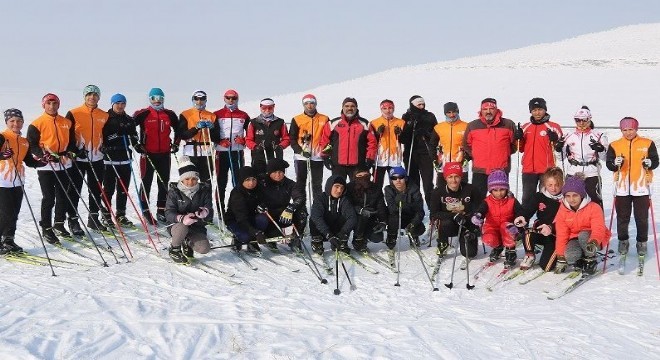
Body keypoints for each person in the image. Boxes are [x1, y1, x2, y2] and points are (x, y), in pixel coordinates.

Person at [26, 93, 78, 244]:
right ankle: (46, 228)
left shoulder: (66, 122)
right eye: (48, 103)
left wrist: (71, 152)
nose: (52, 106)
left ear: (58, 105)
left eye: (54, 103)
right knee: (49, 198)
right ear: (44, 105)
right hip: (46, 166)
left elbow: (72, 142)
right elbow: (32, 144)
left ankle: (59, 224)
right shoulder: (37, 123)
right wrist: (43, 155)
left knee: (63, 196)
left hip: (63, 163)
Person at [605, 117, 658, 262]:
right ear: (621, 130)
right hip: (621, 187)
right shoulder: (615, 145)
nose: (628, 132)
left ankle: (642, 243)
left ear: (636, 129)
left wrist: (650, 162)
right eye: (625, 130)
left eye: (631, 129)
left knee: (642, 218)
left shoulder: (647, 143)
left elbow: (655, 161)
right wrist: (614, 163)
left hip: (641, 186)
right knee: (622, 218)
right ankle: (623, 241)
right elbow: (609, 165)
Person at [65, 84, 109, 233]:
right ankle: (73, 220)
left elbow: (107, 135)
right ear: (84, 96)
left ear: (99, 97)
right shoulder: (73, 113)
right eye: (89, 94)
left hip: (97, 158)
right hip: (78, 159)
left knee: (95, 190)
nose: (92, 97)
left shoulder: (104, 115)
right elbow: (67, 135)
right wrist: (74, 150)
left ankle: (93, 219)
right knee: (75, 190)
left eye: (95, 95)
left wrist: (106, 146)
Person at [133, 87, 179, 223]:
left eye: (160, 98)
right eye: (154, 98)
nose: (157, 101)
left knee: (163, 182)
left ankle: (161, 209)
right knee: (146, 182)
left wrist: (176, 143)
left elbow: (179, 130)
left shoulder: (169, 114)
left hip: (164, 154)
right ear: (150, 99)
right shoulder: (143, 113)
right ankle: (146, 211)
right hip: (148, 154)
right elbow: (130, 128)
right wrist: (136, 144)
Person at [463, 98, 517, 206]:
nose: (488, 111)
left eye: (491, 108)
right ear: (481, 111)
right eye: (485, 109)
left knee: (501, 199)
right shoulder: (472, 125)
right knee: (477, 200)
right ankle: (476, 222)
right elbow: (466, 144)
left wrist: (503, 153)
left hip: (500, 169)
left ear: (496, 109)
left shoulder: (508, 124)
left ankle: (503, 221)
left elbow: (514, 145)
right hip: (480, 170)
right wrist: (476, 155)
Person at [553, 174, 611, 274]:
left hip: (595, 239)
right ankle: (580, 259)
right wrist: (561, 257)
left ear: (581, 195)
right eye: (568, 196)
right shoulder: (563, 210)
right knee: (570, 256)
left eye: (575, 195)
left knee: (583, 235)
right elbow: (562, 234)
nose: (571, 199)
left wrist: (594, 242)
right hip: (575, 237)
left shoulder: (594, 207)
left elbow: (599, 229)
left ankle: (590, 258)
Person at [0, 109, 40, 254]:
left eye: (19, 121)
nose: (16, 124)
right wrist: (2, 155)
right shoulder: (2, 137)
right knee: (5, 213)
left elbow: (28, 161)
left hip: (18, 180)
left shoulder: (24, 141)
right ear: (7, 122)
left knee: (14, 212)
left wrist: (42, 162)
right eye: (12, 121)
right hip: (2, 181)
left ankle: (9, 240)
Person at [554, 106, 608, 208]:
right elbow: (561, 157)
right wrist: (558, 149)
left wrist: (600, 149)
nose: (581, 123)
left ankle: (597, 222)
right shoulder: (568, 135)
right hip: (573, 171)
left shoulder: (599, 135)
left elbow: (605, 157)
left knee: (594, 199)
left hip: (592, 172)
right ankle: (573, 222)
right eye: (578, 120)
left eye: (584, 120)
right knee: (572, 199)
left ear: (589, 119)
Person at [513, 166, 564, 271]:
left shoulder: (565, 199)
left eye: (557, 185)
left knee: (546, 267)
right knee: (527, 233)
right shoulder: (539, 196)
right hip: (541, 231)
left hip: (556, 236)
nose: (553, 188)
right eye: (550, 185)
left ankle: (560, 254)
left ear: (562, 184)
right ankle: (529, 255)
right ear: (545, 184)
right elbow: (528, 209)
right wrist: (522, 217)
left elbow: (566, 221)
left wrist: (551, 228)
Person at [470, 170, 524, 268]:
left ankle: (510, 250)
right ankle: (498, 247)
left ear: (506, 188)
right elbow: (481, 211)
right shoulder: (487, 201)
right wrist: (478, 216)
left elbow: (520, 212)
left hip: (507, 227)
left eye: (502, 189)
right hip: (492, 227)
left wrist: (519, 221)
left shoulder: (512, 200)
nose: (499, 193)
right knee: (488, 238)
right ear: (490, 190)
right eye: (495, 190)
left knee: (507, 227)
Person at [428, 162, 481, 262]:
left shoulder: (471, 189)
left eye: (456, 176)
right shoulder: (438, 192)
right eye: (450, 177)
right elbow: (434, 213)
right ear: (445, 178)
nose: (453, 180)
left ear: (461, 177)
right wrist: (454, 215)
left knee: (470, 253)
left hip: (466, 223)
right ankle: (443, 242)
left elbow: (479, 208)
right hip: (449, 223)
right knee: (444, 222)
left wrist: (468, 216)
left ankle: (467, 240)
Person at [101, 94, 139, 227]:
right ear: (112, 104)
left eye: (123, 103)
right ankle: (105, 215)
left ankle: (120, 214)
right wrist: (118, 134)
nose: (120, 105)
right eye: (117, 103)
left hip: (125, 158)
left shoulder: (129, 119)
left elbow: (134, 137)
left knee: (123, 189)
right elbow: (103, 138)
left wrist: (134, 140)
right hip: (110, 158)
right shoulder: (106, 118)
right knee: (109, 189)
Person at [165, 158, 213, 263]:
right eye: (187, 179)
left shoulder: (204, 191)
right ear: (181, 179)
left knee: (204, 248)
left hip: (196, 227)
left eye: (194, 179)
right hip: (177, 226)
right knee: (182, 227)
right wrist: (182, 218)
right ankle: (174, 249)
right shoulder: (174, 192)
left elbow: (210, 211)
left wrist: (205, 212)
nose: (190, 182)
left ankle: (187, 242)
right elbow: (168, 212)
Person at [518, 98, 563, 205]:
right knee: (527, 198)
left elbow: (560, 148)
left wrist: (555, 139)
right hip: (529, 169)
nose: (537, 113)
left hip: (546, 170)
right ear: (531, 111)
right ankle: (525, 220)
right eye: (534, 110)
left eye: (540, 109)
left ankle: (546, 219)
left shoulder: (553, 126)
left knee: (547, 198)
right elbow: (520, 149)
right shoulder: (525, 127)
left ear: (545, 110)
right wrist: (519, 138)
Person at [319, 97, 377, 180]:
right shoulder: (333, 123)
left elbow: (372, 143)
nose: (349, 108)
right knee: (339, 189)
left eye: (352, 106)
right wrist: (325, 157)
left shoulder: (364, 124)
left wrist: (370, 158)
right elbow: (325, 141)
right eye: (347, 106)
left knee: (359, 190)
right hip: (338, 165)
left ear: (356, 108)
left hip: (358, 165)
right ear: (342, 108)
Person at [212, 89, 250, 211]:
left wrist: (243, 140)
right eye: (228, 97)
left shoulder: (244, 115)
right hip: (221, 152)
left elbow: (250, 134)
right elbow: (212, 134)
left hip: (237, 152)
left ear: (237, 99)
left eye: (233, 98)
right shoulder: (216, 114)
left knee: (238, 181)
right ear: (224, 98)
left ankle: (237, 207)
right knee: (221, 181)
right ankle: (220, 208)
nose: (230, 100)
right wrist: (219, 141)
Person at [289, 94, 329, 204]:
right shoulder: (297, 119)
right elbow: (292, 138)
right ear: (303, 105)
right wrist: (300, 151)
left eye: (312, 103)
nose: (309, 106)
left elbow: (329, 137)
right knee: (301, 183)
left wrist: (326, 151)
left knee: (317, 184)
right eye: (306, 103)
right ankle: (301, 207)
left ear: (315, 104)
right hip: (301, 156)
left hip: (317, 156)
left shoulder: (324, 118)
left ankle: (318, 207)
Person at [258, 158, 306, 250]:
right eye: (274, 172)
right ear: (269, 172)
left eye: (280, 172)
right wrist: (259, 204)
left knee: (302, 211)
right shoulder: (262, 182)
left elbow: (300, 197)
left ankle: (296, 239)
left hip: (283, 214)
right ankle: (267, 237)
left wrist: (291, 208)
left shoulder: (290, 184)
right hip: (267, 215)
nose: (278, 175)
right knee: (259, 218)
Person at [399, 95, 437, 206]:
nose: (421, 106)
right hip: (411, 153)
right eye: (418, 104)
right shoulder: (406, 117)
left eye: (423, 104)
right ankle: (416, 206)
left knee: (428, 183)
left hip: (425, 153)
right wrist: (410, 128)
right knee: (413, 182)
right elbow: (402, 139)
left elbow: (436, 135)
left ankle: (431, 207)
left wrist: (426, 133)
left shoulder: (429, 116)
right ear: (412, 105)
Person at [225, 166, 268, 253]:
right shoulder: (237, 194)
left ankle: (252, 243)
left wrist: (263, 206)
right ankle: (237, 239)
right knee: (245, 237)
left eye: (253, 179)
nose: (251, 183)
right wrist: (255, 233)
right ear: (242, 180)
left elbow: (264, 202)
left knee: (263, 219)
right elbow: (241, 218)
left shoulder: (259, 189)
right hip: (236, 220)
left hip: (250, 218)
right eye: (247, 180)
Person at [309, 175, 356, 255]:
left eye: (342, 187)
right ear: (329, 186)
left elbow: (352, 217)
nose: (339, 190)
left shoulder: (344, 200)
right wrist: (329, 235)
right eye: (336, 187)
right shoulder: (320, 198)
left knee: (347, 216)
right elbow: (316, 217)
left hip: (338, 232)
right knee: (314, 218)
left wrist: (341, 234)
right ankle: (317, 241)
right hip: (323, 231)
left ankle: (342, 242)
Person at [345, 166, 388, 252]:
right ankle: (355, 239)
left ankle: (363, 239)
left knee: (377, 237)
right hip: (352, 217)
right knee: (361, 217)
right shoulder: (349, 188)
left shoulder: (375, 188)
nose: (363, 178)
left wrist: (383, 221)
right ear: (355, 177)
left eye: (366, 175)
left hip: (370, 217)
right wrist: (359, 210)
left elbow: (381, 206)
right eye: (360, 176)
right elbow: (346, 204)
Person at [178, 90, 218, 183]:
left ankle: (206, 197)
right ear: (193, 100)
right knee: (190, 179)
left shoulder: (212, 116)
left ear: (206, 100)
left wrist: (211, 128)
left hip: (206, 151)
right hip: (191, 150)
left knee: (206, 181)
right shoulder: (185, 114)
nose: (199, 101)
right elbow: (182, 135)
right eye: (196, 99)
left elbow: (216, 137)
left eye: (202, 99)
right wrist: (196, 128)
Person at [383, 166, 425, 249]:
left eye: (401, 177)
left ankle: (413, 236)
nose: (398, 180)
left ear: (405, 178)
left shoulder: (414, 189)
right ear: (391, 180)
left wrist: (413, 223)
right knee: (392, 216)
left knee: (419, 228)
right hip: (396, 216)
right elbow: (391, 208)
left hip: (410, 216)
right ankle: (391, 236)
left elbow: (420, 210)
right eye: (394, 178)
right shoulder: (388, 189)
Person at [369, 99, 405, 189]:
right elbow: (371, 139)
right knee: (377, 184)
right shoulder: (374, 122)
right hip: (379, 159)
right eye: (385, 108)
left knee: (396, 183)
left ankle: (395, 202)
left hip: (395, 159)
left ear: (393, 109)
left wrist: (400, 134)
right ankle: (378, 202)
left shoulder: (401, 122)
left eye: (390, 108)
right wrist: (377, 133)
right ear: (381, 109)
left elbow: (405, 140)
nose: (388, 110)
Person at [430, 102, 467, 187]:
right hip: (444, 164)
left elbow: (471, 145)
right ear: (445, 113)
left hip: (460, 164)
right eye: (448, 112)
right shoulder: (439, 127)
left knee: (463, 190)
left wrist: (467, 158)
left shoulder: (466, 126)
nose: (451, 115)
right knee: (441, 190)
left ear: (458, 111)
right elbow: (432, 145)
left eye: (454, 112)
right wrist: (434, 159)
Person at [245, 98, 290, 166]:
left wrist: (281, 146)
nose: (267, 110)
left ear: (273, 107)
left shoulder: (280, 122)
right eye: (264, 108)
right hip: (258, 155)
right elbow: (248, 139)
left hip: (275, 155)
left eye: (270, 108)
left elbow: (286, 138)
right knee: (260, 175)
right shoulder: (254, 122)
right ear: (260, 107)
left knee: (276, 175)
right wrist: (255, 147)